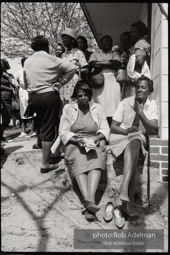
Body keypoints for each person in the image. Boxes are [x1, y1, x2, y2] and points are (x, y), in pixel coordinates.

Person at [23, 35, 77, 173]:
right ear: (46, 46)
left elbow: (24, 80)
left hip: (33, 97)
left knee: (40, 125)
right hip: (48, 96)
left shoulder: (28, 61)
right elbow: (72, 68)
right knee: (48, 129)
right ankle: (45, 163)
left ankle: (47, 152)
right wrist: (61, 82)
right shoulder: (52, 59)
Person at [109, 76, 158, 223]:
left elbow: (153, 129)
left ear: (150, 90)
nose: (140, 90)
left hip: (136, 139)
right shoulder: (125, 102)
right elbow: (113, 126)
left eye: (143, 87)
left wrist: (141, 112)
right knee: (134, 140)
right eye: (138, 87)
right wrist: (127, 131)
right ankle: (127, 202)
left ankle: (125, 194)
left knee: (136, 140)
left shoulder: (152, 104)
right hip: (120, 136)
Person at [58, 81, 110, 220]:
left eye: (85, 95)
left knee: (97, 159)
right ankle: (91, 204)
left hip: (93, 141)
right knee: (78, 160)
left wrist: (98, 138)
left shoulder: (97, 108)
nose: (83, 98)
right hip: (75, 143)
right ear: (76, 96)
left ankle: (89, 201)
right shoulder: (69, 108)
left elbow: (105, 128)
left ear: (89, 96)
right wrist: (77, 141)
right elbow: (63, 131)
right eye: (80, 95)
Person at [89, 35, 121, 126]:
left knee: (113, 108)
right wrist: (109, 62)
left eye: (109, 41)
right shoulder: (95, 54)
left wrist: (100, 63)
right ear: (100, 44)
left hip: (113, 83)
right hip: (99, 82)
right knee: (99, 107)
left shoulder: (115, 54)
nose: (107, 43)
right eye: (105, 41)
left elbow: (117, 63)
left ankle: (112, 129)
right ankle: (101, 129)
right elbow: (91, 64)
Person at [60, 28, 89, 105]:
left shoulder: (78, 53)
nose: (64, 40)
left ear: (72, 40)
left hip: (74, 83)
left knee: (73, 104)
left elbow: (86, 69)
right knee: (64, 105)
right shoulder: (63, 55)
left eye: (66, 38)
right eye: (63, 39)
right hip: (63, 82)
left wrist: (74, 70)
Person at [14, 57, 36, 138]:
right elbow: (13, 80)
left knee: (34, 112)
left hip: (32, 92)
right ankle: (23, 131)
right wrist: (19, 85)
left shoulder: (33, 71)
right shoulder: (19, 72)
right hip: (23, 93)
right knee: (23, 111)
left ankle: (33, 130)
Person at [1, 59, 17, 141]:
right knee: (2, 118)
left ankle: (1, 134)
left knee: (7, 117)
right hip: (2, 98)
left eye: (3, 64)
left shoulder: (10, 75)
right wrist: (9, 89)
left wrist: (14, 87)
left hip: (9, 98)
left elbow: (14, 84)